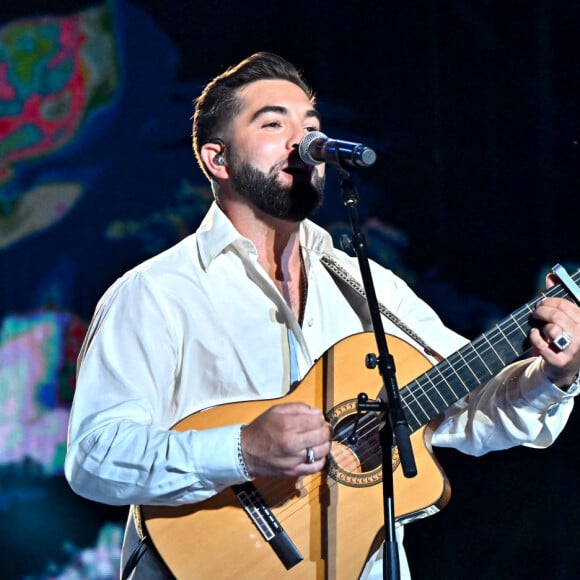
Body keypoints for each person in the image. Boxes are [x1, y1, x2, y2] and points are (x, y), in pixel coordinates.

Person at [65, 52, 580, 579]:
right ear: (218, 160)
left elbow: (473, 410)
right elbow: (95, 457)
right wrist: (241, 450)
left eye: (311, 125)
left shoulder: (365, 284)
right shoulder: (157, 293)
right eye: (273, 123)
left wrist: (554, 376)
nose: (304, 140)